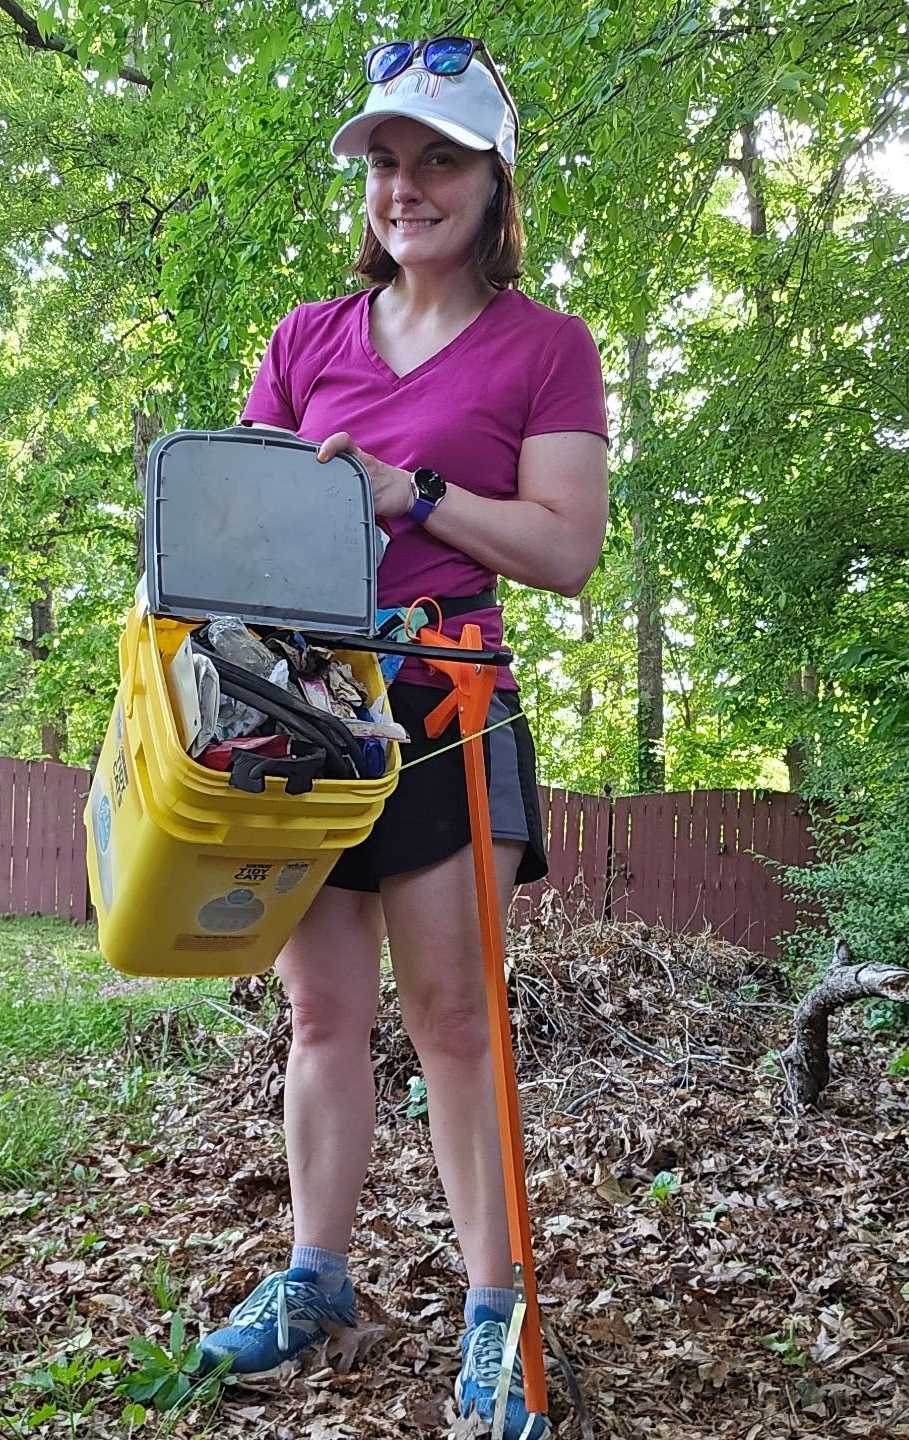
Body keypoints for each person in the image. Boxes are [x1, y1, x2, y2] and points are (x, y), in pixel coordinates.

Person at [198, 36, 609, 1439]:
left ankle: (496, 1312)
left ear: (494, 181)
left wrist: (404, 489)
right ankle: (317, 1281)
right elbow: (244, 522)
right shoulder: (306, 337)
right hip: (307, 718)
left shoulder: (545, 348)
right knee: (319, 1014)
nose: (405, 186)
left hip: (444, 710)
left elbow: (565, 549)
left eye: (438, 157)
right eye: (384, 160)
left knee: (452, 1024)